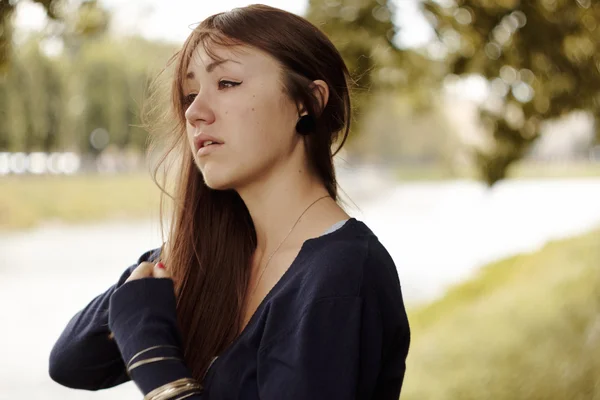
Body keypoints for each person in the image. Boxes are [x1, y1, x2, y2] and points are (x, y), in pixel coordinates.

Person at [48, 4, 410, 399]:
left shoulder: (341, 275)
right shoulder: (218, 260)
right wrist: (173, 261)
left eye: (227, 83)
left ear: (307, 102)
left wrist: (158, 367)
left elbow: (139, 355)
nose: (195, 113)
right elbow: (72, 361)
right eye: (190, 94)